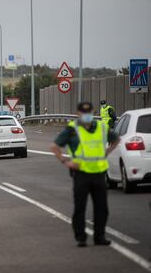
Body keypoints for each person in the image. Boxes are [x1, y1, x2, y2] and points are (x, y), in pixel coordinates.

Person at [50, 101, 120, 247]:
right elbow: (55, 147)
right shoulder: (72, 129)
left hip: (99, 174)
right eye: (83, 113)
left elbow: (116, 139)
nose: (86, 115)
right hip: (80, 174)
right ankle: (81, 237)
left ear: (93, 113)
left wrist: (106, 152)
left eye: (89, 113)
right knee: (80, 207)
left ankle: (99, 237)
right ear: (78, 114)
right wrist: (65, 161)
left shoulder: (101, 127)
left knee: (102, 208)